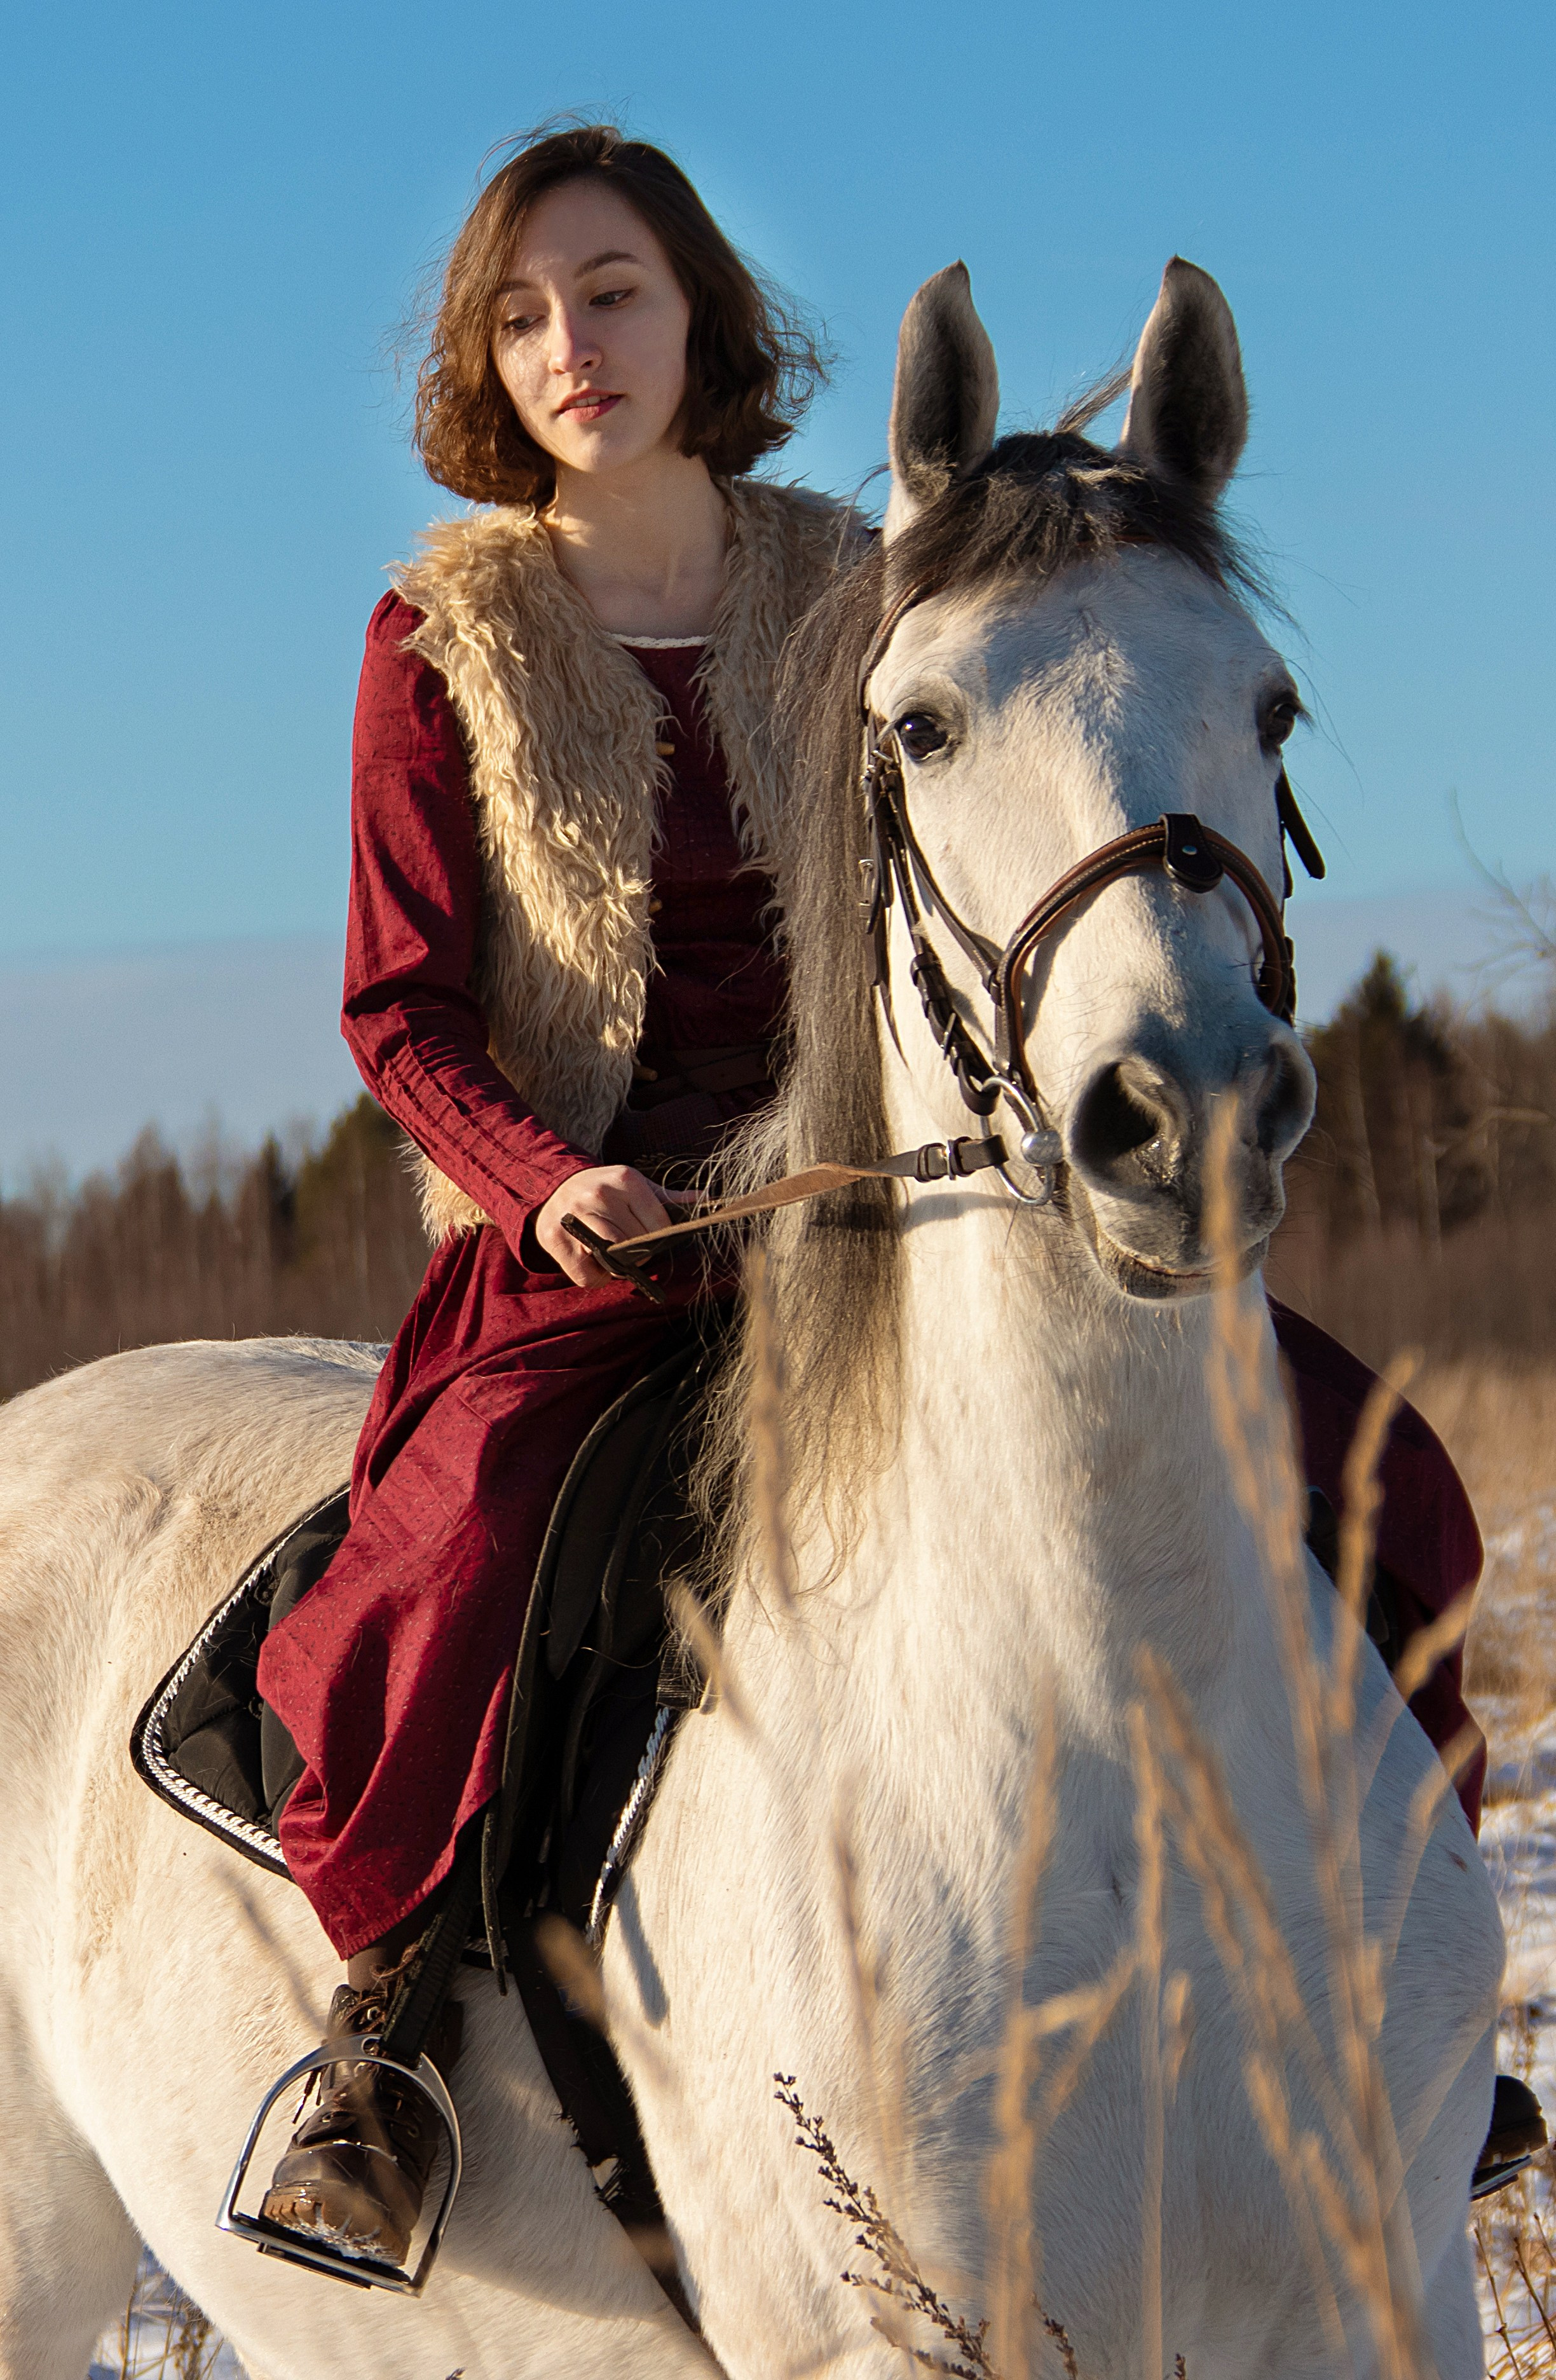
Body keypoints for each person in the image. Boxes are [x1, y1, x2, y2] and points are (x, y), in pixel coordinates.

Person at [252, 122, 862, 2264]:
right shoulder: (445, 634)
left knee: (1348, 1454)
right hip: (603, 1239)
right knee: (468, 1544)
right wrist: (544, 1181)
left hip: (881, 1203)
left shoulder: (854, 586)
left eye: (610, 292)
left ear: (699, 308)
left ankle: (1412, 1991)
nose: (570, 344)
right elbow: (398, 1015)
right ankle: (391, 2032)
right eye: (520, 315)